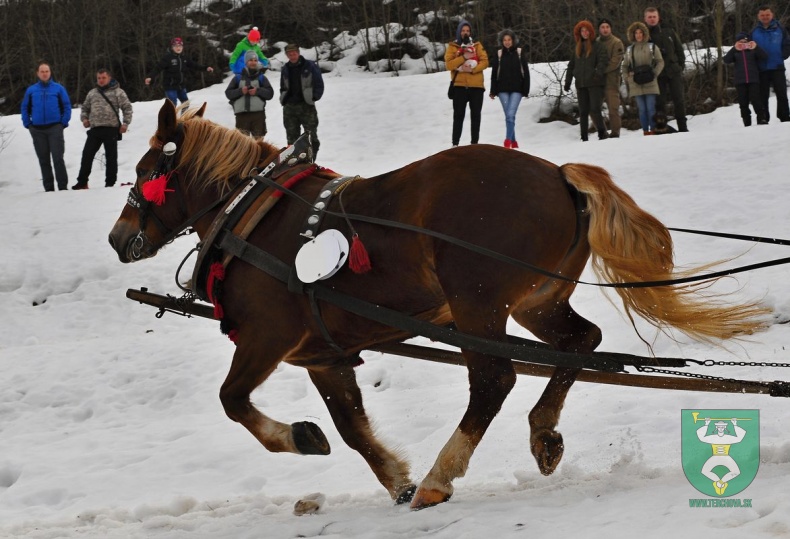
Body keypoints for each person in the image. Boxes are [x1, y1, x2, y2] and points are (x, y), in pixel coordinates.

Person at [72, 69, 133, 189]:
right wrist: (84, 119)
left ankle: (110, 183)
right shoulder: (92, 93)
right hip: (95, 130)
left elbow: (127, 108)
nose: (101, 80)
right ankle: (82, 182)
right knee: (87, 155)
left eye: (103, 78)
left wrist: (125, 124)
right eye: (99, 78)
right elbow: (85, 108)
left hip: (111, 129)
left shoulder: (118, 92)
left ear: (109, 78)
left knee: (111, 157)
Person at [20, 62, 71, 192]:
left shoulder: (58, 88)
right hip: (37, 130)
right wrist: (28, 123)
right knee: (43, 160)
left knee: (58, 158)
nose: (45, 74)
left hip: (55, 128)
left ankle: (63, 187)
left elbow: (66, 105)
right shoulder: (31, 90)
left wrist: (63, 122)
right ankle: (48, 188)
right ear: (38, 73)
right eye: (42, 71)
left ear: (50, 72)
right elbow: (25, 107)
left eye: (47, 71)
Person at [445, 20, 489, 147]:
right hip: (459, 86)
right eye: (463, 30)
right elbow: (449, 65)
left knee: (476, 116)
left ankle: (474, 144)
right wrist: (464, 57)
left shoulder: (477, 45)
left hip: (476, 87)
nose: (465, 33)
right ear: (459, 32)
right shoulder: (453, 47)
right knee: (458, 115)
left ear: (470, 33)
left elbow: (485, 61)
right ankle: (455, 144)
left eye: (467, 31)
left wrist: (473, 69)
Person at [644, 7, 688, 131]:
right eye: (649, 17)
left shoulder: (669, 31)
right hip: (657, 73)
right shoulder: (644, 35)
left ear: (658, 17)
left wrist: (680, 66)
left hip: (673, 70)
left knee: (679, 100)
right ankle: (663, 129)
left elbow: (679, 50)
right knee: (660, 103)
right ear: (645, 19)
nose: (652, 19)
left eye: (654, 16)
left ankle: (683, 128)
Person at [564, 20, 609, 141]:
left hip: (595, 83)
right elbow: (571, 65)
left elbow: (603, 60)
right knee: (583, 111)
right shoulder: (577, 47)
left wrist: (598, 74)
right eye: (582, 31)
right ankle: (584, 136)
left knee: (595, 109)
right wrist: (568, 81)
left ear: (591, 32)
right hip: (581, 84)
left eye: (586, 30)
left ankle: (602, 133)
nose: (585, 33)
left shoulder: (597, 45)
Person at [279, 43, 324, 157]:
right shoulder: (285, 68)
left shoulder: (309, 65)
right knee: (291, 138)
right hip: (289, 107)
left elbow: (319, 83)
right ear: (287, 55)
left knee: (311, 136)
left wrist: (314, 96)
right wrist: (283, 98)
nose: (292, 55)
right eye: (289, 53)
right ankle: (294, 161)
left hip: (306, 105)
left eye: (294, 53)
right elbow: (283, 86)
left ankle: (311, 160)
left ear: (298, 53)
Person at [489, 29, 530, 149]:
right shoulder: (499, 54)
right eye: (504, 40)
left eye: (509, 40)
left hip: (517, 90)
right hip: (502, 90)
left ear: (513, 40)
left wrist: (525, 90)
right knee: (509, 115)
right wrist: (493, 91)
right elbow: (494, 74)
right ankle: (514, 141)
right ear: (502, 41)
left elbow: (526, 72)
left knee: (511, 114)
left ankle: (507, 141)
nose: (507, 42)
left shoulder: (519, 52)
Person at [145, 37, 214, 106]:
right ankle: (171, 116)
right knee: (172, 105)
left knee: (186, 104)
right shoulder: (168, 58)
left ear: (182, 47)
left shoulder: (184, 57)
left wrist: (206, 68)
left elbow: (195, 65)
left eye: (180, 46)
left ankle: (183, 116)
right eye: (176, 46)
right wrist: (150, 77)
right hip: (170, 87)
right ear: (172, 47)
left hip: (181, 86)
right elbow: (158, 68)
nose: (178, 48)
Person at [623, 22, 664, 135]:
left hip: (650, 82)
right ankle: (645, 131)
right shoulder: (629, 50)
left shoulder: (652, 47)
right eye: (636, 33)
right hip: (636, 84)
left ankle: (653, 130)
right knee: (642, 110)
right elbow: (624, 66)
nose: (638, 35)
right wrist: (627, 77)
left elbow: (660, 62)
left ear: (644, 33)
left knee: (651, 108)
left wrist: (654, 74)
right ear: (633, 34)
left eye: (640, 32)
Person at [751, 5, 790, 123]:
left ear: (772, 15)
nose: (765, 17)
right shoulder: (754, 31)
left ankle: (784, 116)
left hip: (777, 66)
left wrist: (783, 55)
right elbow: (749, 48)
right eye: (762, 15)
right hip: (761, 68)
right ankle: (763, 118)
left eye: (767, 14)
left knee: (782, 93)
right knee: (762, 96)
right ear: (758, 16)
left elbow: (787, 43)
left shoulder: (780, 29)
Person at [225, 51, 274, 137]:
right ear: (246, 62)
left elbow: (270, 94)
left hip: (258, 116)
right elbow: (228, 93)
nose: (253, 62)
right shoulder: (237, 78)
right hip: (241, 117)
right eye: (250, 60)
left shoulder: (262, 78)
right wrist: (240, 91)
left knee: (259, 145)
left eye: (255, 60)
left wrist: (257, 91)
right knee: (242, 146)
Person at [723, 32, 768, 126]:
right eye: (741, 42)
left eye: (745, 42)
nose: (744, 44)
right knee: (743, 103)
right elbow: (726, 60)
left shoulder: (753, 50)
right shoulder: (735, 51)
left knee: (756, 100)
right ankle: (747, 122)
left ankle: (761, 119)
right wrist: (734, 49)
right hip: (740, 81)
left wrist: (756, 47)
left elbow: (764, 57)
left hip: (753, 79)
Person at [596, 18, 625, 138]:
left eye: (607, 27)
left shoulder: (616, 42)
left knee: (613, 109)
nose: (605, 29)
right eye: (602, 27)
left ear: (610, 28)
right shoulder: (595, 42)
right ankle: (602, 132)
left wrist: (600, 71)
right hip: (597, 82)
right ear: (599, 29)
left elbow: (615, 62)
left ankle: (615, 133)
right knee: (594, 108)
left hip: (611, 82)